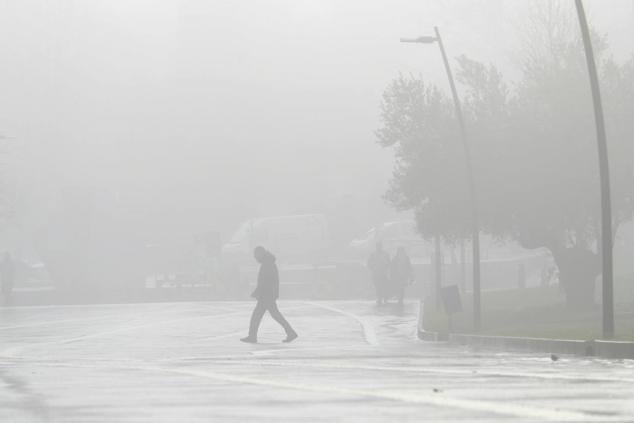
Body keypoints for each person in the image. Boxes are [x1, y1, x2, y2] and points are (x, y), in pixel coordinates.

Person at [241, 246, 297, 344]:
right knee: (274, 315)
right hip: (268, 295)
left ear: (260, 253)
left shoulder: (267, 264)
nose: (255, 258)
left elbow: (265, 281)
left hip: (266, 296)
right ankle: (290, 332)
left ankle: (252, 337)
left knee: (258, 316)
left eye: (256, 255)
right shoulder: (268, 262)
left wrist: (258, 292)